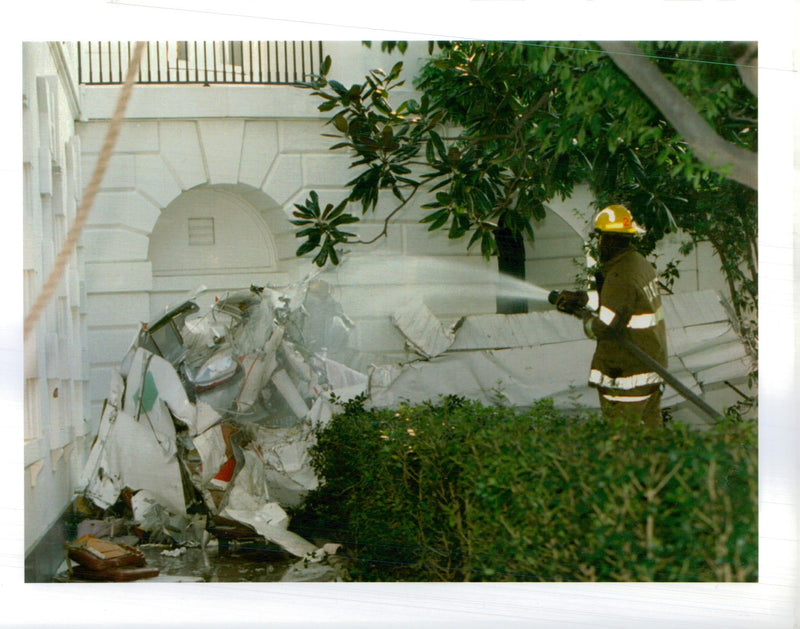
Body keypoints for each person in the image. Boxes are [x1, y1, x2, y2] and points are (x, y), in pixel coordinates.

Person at [555, 205, 668, 427]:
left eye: (602, 237)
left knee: (623, 445)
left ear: (611, 239)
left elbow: (606, 326)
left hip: (628, 376)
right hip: (651, 370)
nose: (600, 244)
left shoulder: (620, 274)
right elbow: (622, 302)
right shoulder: (638, 263)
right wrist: (581, 298)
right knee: (653, 446)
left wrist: (586, 321)